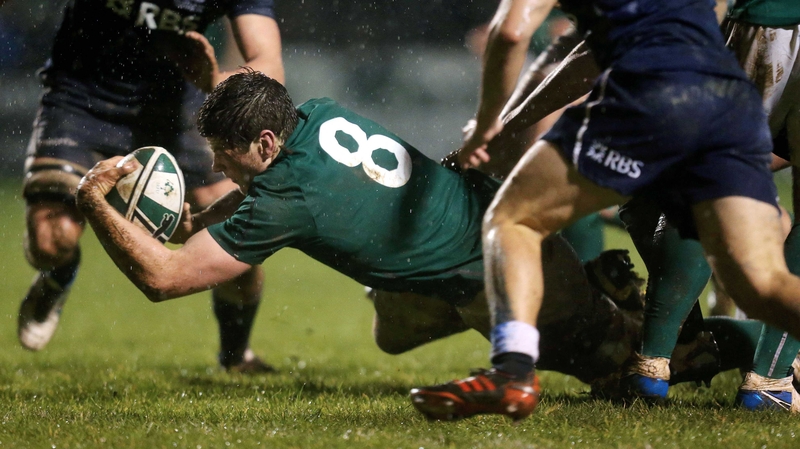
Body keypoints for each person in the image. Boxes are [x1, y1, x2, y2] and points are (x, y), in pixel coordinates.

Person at [75, 70, 789, 401]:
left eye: (227, 159)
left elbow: (163, 278)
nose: (219, 172)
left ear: (264, 140)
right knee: (390, 330)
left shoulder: (286, 200)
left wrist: (95, 201)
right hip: (462, 241)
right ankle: (600, 295)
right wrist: (203, 216)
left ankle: (715, 341)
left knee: (616, 377)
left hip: (506, 266)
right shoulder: (315, 114)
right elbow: (268, 187)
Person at [410, 0, 800, 422]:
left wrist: (490, 122)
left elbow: (512, 33)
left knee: (514, 219)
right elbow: (592, 51)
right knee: (761, 284)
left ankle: (514, 371)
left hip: (666, 86)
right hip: (729, 102)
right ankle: (718, 362)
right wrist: (514, 118)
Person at [14, 0, 284, 373]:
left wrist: (216, 81)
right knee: (49, 239)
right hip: (81, 99)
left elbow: (269, 65)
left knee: (238, 235)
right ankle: (57, 276)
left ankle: (236, 356)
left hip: (176, 108)